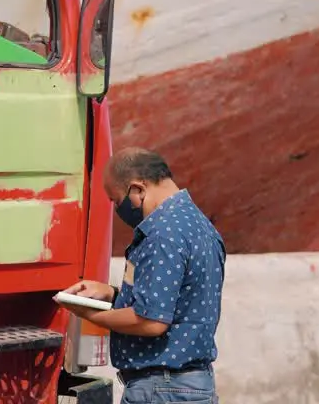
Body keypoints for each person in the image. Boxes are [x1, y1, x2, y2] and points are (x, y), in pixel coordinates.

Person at [58, 147, 226, 404]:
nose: (117, 209)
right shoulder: (198, 224)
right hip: (191, 385)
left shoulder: (162, 234)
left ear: (138, 189)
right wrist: (111, 293)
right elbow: (175, 298)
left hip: (162, 389)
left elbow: (151, 320)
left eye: (115, 200)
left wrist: (90, 314)